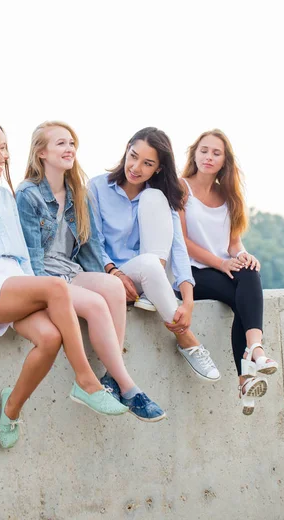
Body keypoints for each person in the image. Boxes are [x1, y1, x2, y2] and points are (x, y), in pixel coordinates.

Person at [0, 121, 128, 450]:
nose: (6, 155)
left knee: (49, 337)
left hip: (15, 279)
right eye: (1, 148)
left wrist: (36, 289)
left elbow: (22, 253)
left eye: (6, 148)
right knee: (57, 288)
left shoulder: (4, 195)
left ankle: (11, 409)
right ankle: (86, 381)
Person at [16, 121, 165, 422]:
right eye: (60, 143)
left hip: (70, 270)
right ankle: (129, 387)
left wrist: (107, 278)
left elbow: (91, 247)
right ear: (41, 152)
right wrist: (39, 297)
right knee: (96, 303)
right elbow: (31, 258)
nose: (69, 148)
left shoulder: (77, 193)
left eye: (71, 142)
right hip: (45, 278)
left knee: (111, 289)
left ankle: (111, 375)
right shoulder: (28, 194)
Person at [89, 127, 220, 382]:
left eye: (147, 163)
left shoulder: (159, 196)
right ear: (127, 149)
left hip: (150, 274)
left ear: (158, 168)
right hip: (109, 275)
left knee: (153, 199)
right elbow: (92, 242)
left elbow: (179, 248)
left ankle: (154, 293)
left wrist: (188, 301)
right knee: (149, 264)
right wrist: (113, 271)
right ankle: (188, 341)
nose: (136, 167)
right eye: (133, 155)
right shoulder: (97, 187)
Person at [178, 128, 278, 415]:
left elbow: (233, 243)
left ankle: (252, 355)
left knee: (249, 271)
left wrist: (243, 255)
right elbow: (182, 241)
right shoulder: (180, 188)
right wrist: (221, 263)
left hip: (222, 270)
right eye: (204, 150)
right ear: (195, 154)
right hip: (190, 274)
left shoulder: (228, 195)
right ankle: (251, 363)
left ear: (225, 161)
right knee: (241, 295)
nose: (209, 157)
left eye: (216, 153)